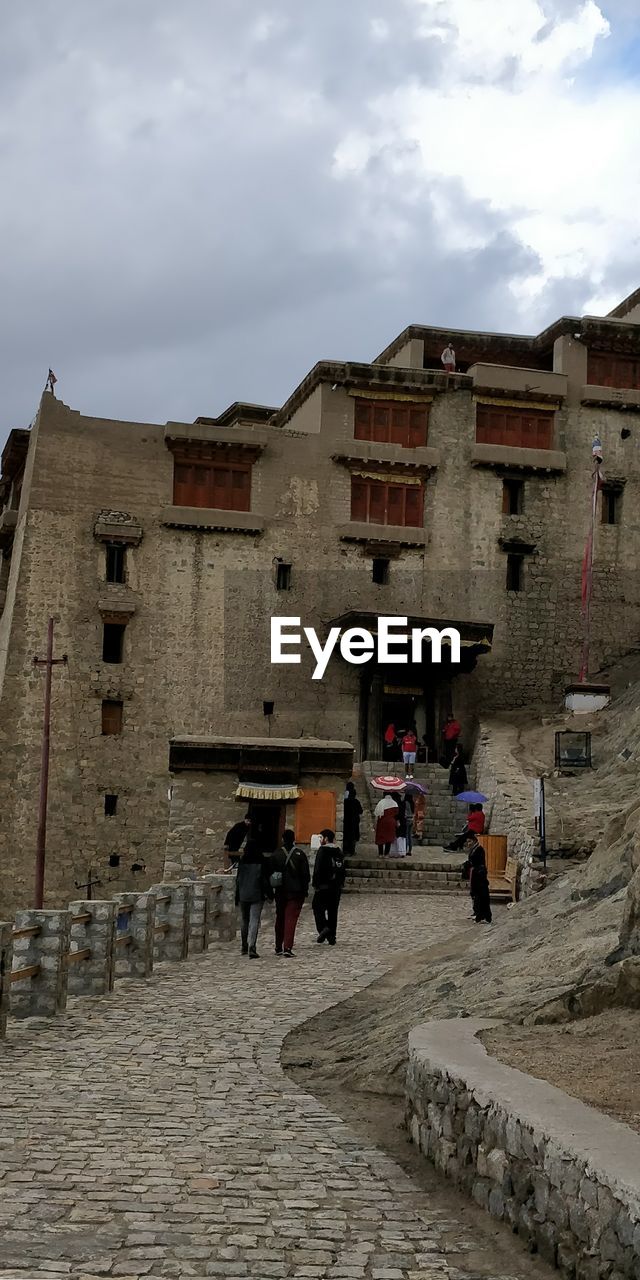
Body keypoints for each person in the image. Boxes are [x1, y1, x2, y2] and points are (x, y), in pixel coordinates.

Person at [270, 828, 310, 957]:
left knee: (280, 917)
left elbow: (270, 873)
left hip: (280, 890)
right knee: (290, 919)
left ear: (282, 839)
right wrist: (305, 890)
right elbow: (305, 875)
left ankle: (278, 946)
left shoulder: (276, 854)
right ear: (294, 839)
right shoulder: (300, 854)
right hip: (296, 891)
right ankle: (287, 947)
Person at [235, 837, 271, 957]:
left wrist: (237, 896)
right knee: (254, 920)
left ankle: (244, 945)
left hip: (243, 894)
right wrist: (269, 894)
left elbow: (238, 880)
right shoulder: (262, 862)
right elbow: (265, 881)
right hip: (257, 894)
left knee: (244, 920)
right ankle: (252, 946)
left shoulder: (242, 862)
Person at [312, 829, 346, 946]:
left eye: (321, 838)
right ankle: (332, 936)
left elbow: (317, 869)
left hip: (323, 886)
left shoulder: (323, 851)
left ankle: (324, 928)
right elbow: (342, 869)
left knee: (317, 908)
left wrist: (315, 884)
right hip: (336, 887)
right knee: (333, 911)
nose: (320, 840)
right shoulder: (338, 851)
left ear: (326, 838)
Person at [465, 831, 492, 923]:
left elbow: (478, 862)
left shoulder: (479, 849)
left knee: (481, 896)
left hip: (479, 876)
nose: (468, 844)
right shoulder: (474, 849)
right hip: (475, 874)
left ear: (474, 841)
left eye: (469, 842)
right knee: (475, 894)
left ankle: (483, 916)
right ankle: (476, 912)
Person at [374, 791, 398, 857]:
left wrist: (375, 823)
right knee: (389, 837)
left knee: (381, 837)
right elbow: (396, 814)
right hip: (391, 822)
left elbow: (377, 813)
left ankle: (380, 853)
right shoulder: (394, 803)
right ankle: (386, 854)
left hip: (382, 821)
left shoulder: (381, 802)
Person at [342, 781, 363, 858]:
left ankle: (345, 850)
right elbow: (361, 811)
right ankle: (351, 851)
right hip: (354, 821)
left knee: (346, 835)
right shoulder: (356, 802)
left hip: (346, 821)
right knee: (353, 836)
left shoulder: (345, 801)